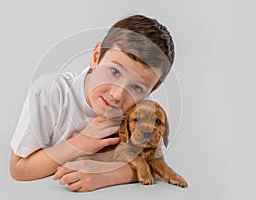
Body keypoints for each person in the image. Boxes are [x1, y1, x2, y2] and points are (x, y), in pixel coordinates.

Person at [10, 14, 175, 192]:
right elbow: (19, 169)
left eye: (136, 87)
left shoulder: (140, 108)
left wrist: (107, 175)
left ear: (150, 91)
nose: (117, 94)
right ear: (96, 56)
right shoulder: (50, 93)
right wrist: (81, 143)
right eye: (114, 71)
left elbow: (155, 164)